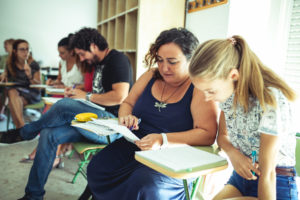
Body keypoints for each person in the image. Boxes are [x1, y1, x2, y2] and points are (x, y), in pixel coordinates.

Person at [82, 28, 218, 200]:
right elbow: (127, 103)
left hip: (173, 153)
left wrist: (163, 139)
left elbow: (207, 134)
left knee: (144, 185)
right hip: (136, 142)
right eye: (160, 60)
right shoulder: (150, 75)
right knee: (98, 166)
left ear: (191, 60)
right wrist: (126, 116)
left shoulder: (199, 86)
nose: (164, 68)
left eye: (172, 62)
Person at [0, 27, 133, 200]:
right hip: (92, 121)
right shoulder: (99, 64)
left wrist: (85, 96)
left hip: (110, 126)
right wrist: (78, 92)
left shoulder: (118, 60)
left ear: (93, 46)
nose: (81, 58)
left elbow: (119, 96)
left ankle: (25, 132)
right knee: (48, 134)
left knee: (63, 105)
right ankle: (33, 196)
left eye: (81, 53)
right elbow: (97, 92)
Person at [188, 36, 298, 200]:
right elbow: (223, 137)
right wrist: (234, 154)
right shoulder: (227, 97)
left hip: (275, 182)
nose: (206, 98)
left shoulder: (270, 101)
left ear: (233, 75)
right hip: (242, 178)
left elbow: (267, 173)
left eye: (210, 91)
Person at [0, 39, 41, 128]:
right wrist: (4, 74)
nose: (26, 52)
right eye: (22, 49)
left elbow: (38, 87)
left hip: (31, 93)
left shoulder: (33, 64)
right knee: (11, 94)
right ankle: (21, 129)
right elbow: (6, 74)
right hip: (17, 92)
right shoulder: (11, 63)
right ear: (15, 52)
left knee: (11, 98)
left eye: (27, 49)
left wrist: (30, 75)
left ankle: (20, 129)